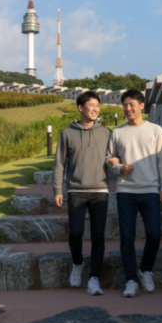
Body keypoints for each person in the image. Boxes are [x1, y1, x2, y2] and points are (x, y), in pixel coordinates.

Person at [107, 89, 162, 298]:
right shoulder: (117, 133)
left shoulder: (155, 130)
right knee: (127, 237)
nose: (128, 108)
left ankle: (146, 270)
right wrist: (119, 169)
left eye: (132, 104)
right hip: (126, 191)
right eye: (125, 105)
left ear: (142, 106)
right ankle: (131, 280)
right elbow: (110, 161)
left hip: (150, 190)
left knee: (154, 234)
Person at [53, 90, 113, 296]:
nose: (96, 109)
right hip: (76, 190)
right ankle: (77, 263)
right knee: (76, 232)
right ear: (80, 108)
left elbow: (114, 159)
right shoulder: (66, 134)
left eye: (98, 105)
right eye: (92, 105)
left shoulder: (106, 132)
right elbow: (59, 164)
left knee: (98, 236)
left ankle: (94, 278)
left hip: (100, 190)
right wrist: (57, 189)